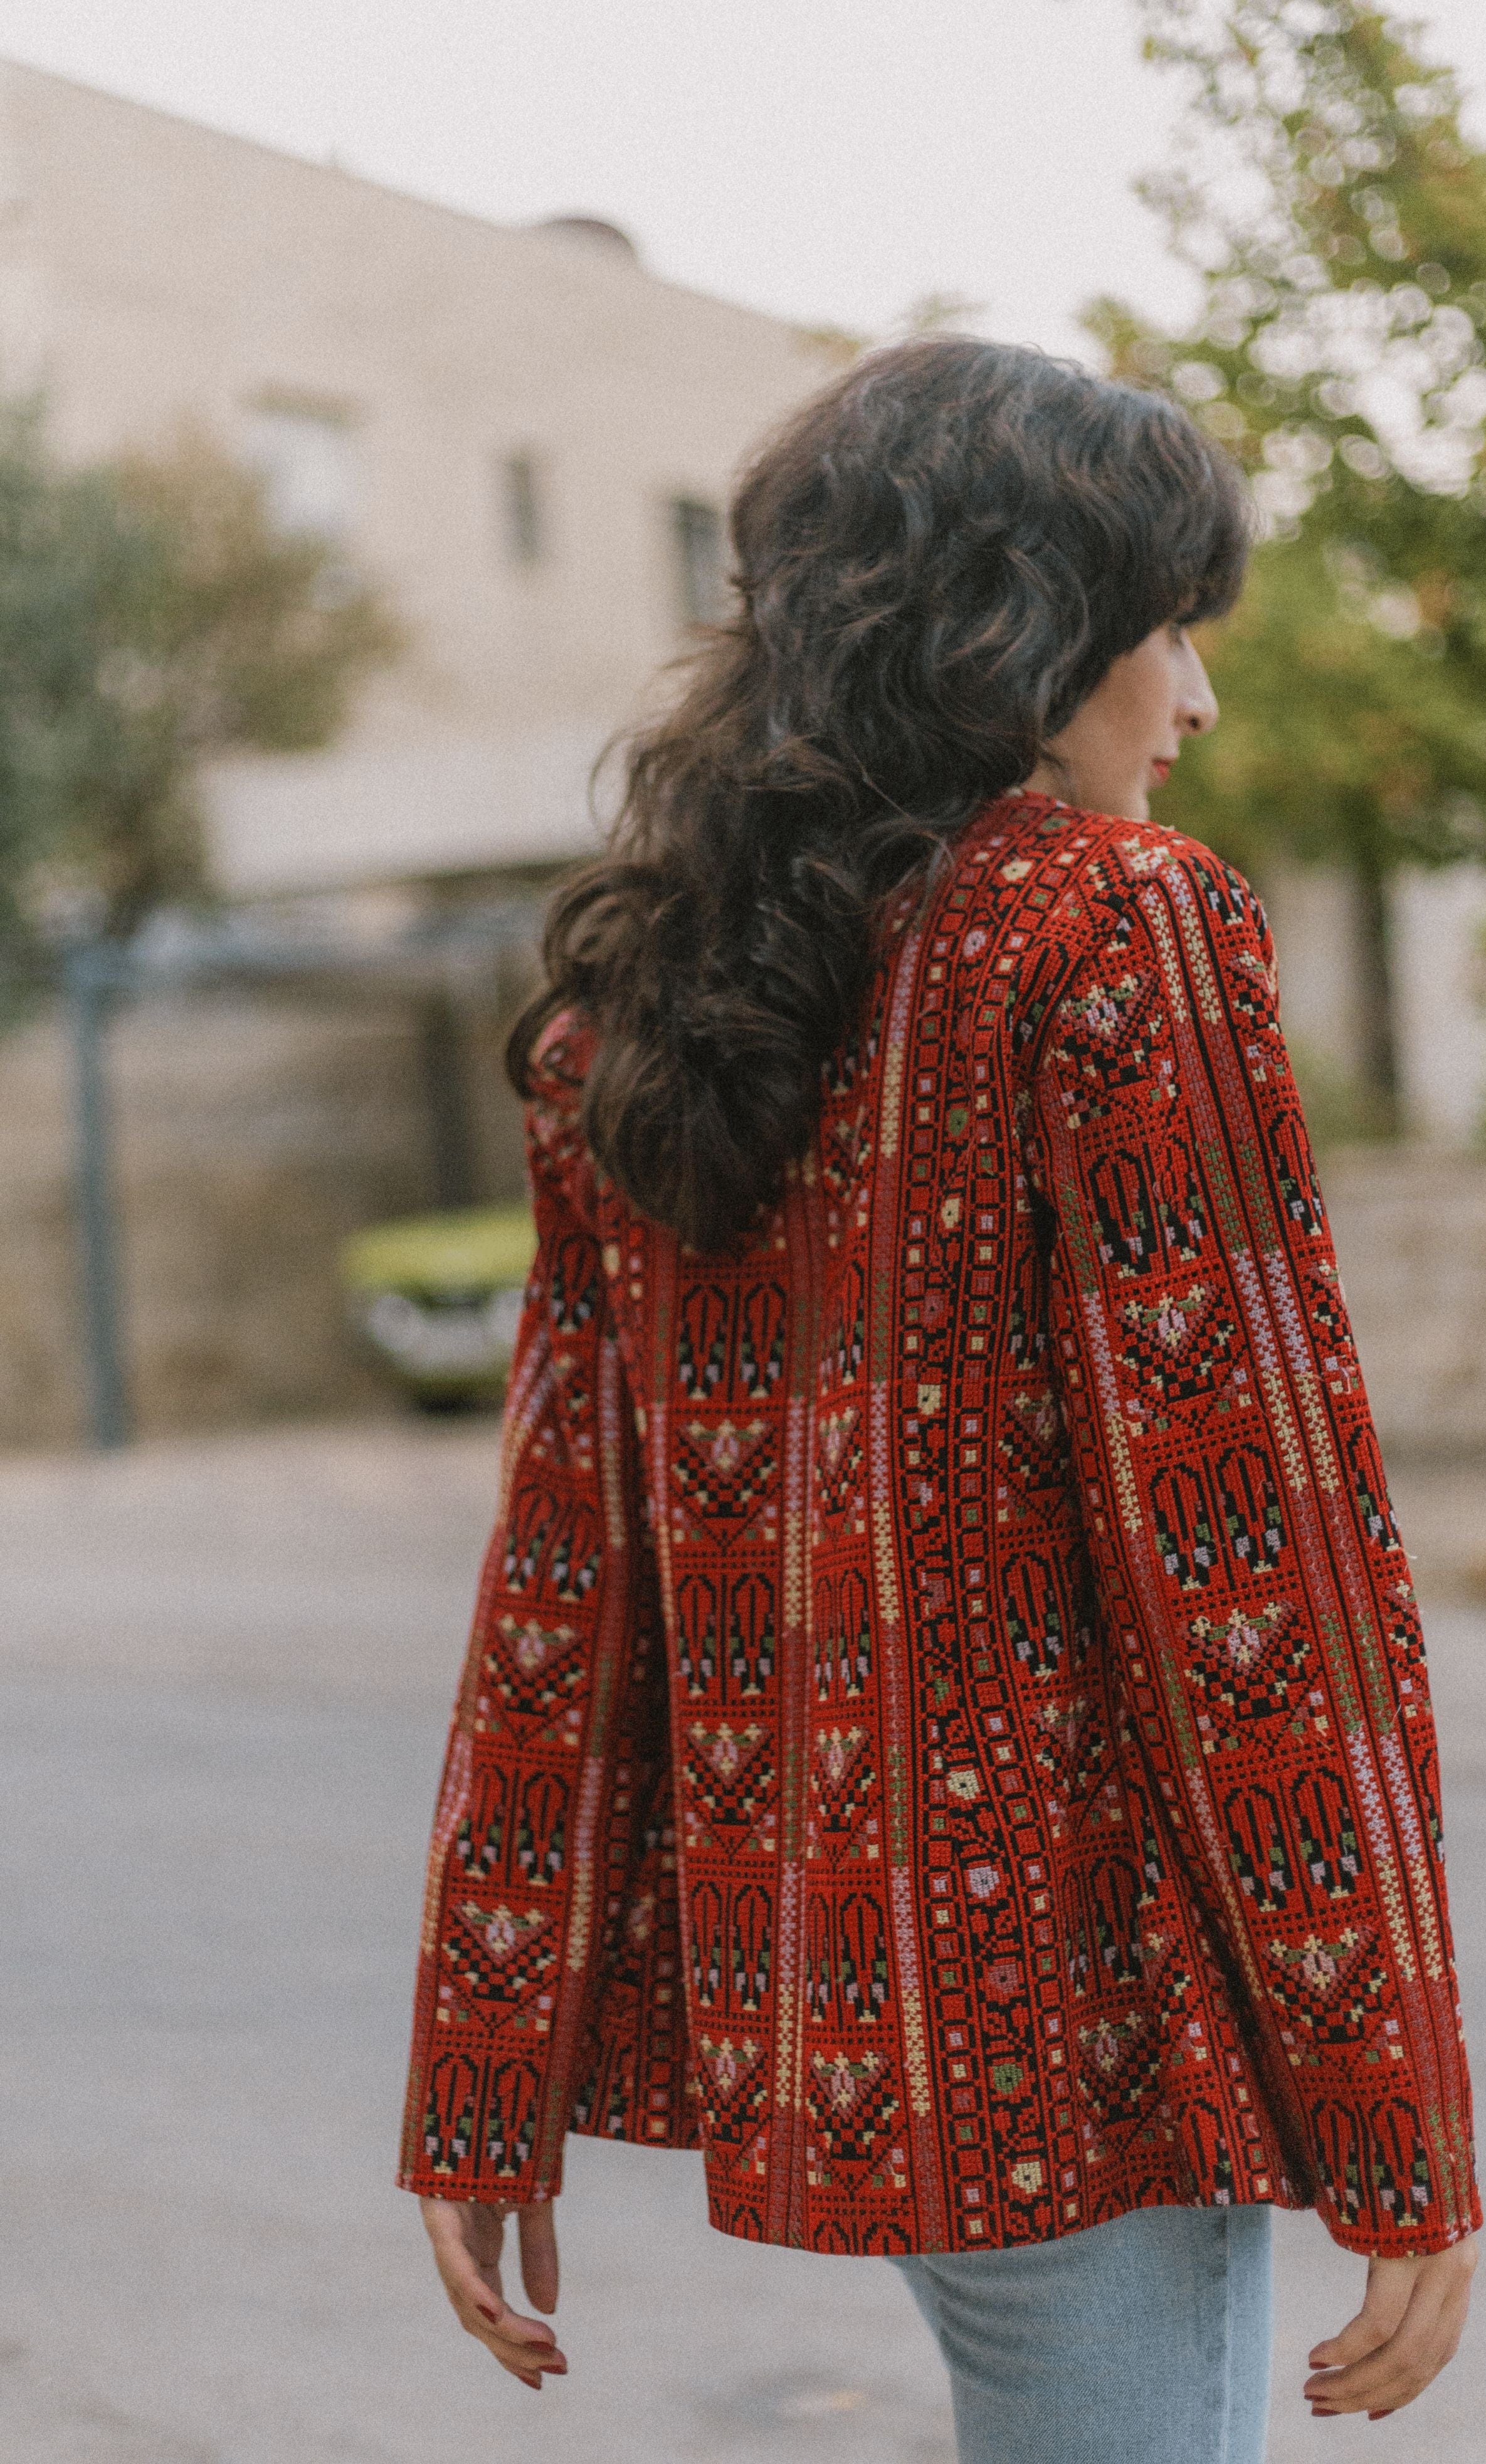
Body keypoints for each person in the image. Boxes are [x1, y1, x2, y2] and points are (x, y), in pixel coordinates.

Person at [399, 336, 1479, 2461]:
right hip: (1092, 2024)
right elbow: (1260, 1579)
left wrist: (479, 2073)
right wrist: (1401, 2117)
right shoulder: (1110, 934)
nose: (1196, 696)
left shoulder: (648, 999)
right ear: (1023, 632)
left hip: (844, 2005)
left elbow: (560, 1574)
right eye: (1166, 627)